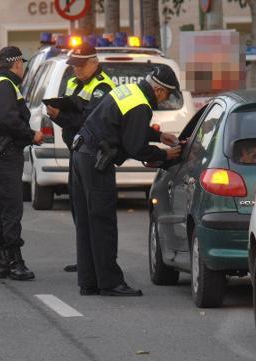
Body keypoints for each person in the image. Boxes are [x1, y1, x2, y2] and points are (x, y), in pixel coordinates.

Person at [71, 67, 182, 296]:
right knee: (104, 222)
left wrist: (158, 136)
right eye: (168, 95)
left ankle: (89, 281)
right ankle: (110, 283)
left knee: (87, 222)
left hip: (81, 154)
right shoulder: (141, 105)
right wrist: (164, 155)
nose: (166, 100)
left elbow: (126, 124)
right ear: (159, 89)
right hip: (96, 160)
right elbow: (135, 147)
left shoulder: (130, 91)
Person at [45, 42, 115, 273]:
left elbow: (88, 122)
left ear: (94, 63)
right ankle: (85, 258)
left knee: (93, 210)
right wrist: (57, 115)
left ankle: (95, 261)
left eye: (80, 65)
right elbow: (71, 114)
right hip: (76, 153)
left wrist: (61, 117)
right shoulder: (73, 83)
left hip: (93, 154)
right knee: (79, 208)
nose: (76, 70)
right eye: (73, 65)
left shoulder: (102, 87)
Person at [0, 46, 44, 281]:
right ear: (16, 64)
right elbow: (7, 119)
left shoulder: (1, 85)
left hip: (1, 153)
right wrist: (31, 135)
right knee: (12, 209)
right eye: (22, 64)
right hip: (6, 154)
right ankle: (15, 261)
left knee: (4, 209)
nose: (23, 68)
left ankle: (3, 261)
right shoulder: (6, 86)